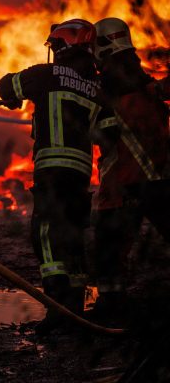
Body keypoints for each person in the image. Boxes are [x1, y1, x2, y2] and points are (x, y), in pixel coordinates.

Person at [0, 19, 109, 333]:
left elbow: (6, 85)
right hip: (81, 175)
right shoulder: (97, 85)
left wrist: (16, 97)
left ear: (62, 46)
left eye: (55, 45)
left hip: (52, 171)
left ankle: (58, 312)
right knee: (72, 237)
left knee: (46, 236)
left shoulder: (46, 75)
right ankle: (75, 308)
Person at [90, 17, 170, 317]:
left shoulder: (105, 87)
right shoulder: (144, 83)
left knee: (109, 246)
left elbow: (100, 132)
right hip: (160, 177)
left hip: (122, 182)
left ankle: (112, 306)